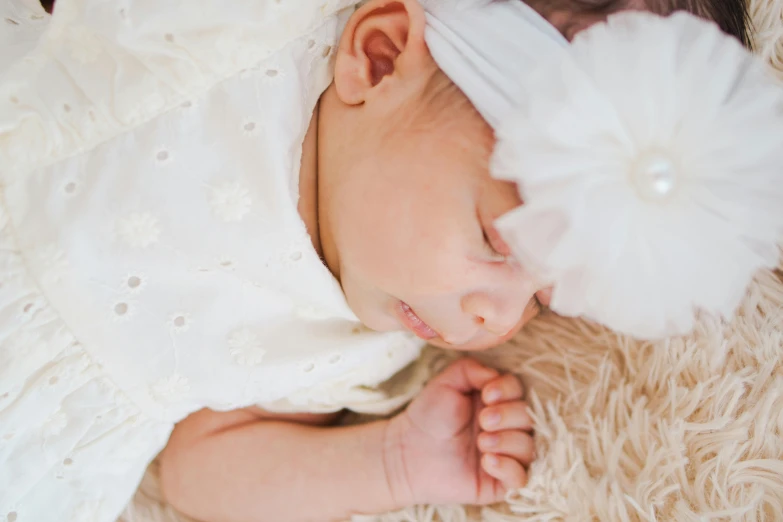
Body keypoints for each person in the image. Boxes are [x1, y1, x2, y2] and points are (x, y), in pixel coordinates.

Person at [0, 0, 753, 521]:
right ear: (382, 56)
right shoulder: (251, 33)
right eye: (499, 242)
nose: (497, 317)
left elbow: (197, 475)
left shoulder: (359, 344)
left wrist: (391, 462)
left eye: (543, 298)